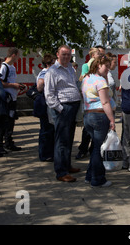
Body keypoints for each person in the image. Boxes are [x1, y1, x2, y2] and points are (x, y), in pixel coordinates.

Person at [44, 45, 82, 182]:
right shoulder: (52, 71)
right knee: (61, 141)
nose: (66, 57)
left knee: (69, 139)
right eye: (63, 54)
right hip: (63, 108)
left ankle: (67, 165)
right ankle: (61, 172)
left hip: (73, 107)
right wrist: (60, 108)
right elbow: (49, 94)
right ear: (57, 55)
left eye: (68, 54)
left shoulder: (70, 68)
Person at [81, 55, 116, 187]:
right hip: (100, 116)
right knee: (98, 149)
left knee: (95, 147)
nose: (108, 68)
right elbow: (105, 101)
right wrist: (112, 120)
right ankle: (98, 179)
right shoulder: (100, 81)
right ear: (98, 66)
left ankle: (90, 176)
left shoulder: (87, 79)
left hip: (88, 115)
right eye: (106, 66)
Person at [76, 47, 104, 159]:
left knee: (97, 129)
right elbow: (83, 79)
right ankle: (83, 149)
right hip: (90, 100)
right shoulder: (86, 66)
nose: (101, 55)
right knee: (88, 128)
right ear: (93, 55)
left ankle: (93, 149)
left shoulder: (102, 64)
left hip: (100, 100)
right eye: (99, 53)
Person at [0, 47, 24, 153]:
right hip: (6, 99)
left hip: (13, 98)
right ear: (14, 55)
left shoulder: (12, 67)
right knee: (4, 122)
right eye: (18, 55)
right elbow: (0, 82)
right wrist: (13, 85)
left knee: (11, 122)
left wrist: (18, 86)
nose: (18, 57)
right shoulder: (4, 67)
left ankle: (8, 142)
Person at [35, 54, 56, 161]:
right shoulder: (45, 72)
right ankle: (45, 154)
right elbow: (39, 86)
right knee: (46, 130)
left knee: (49, 130)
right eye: (53, 62)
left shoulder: (47, 72)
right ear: (49, 63)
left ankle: (49, 153)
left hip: (48, 104)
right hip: (45, 104)